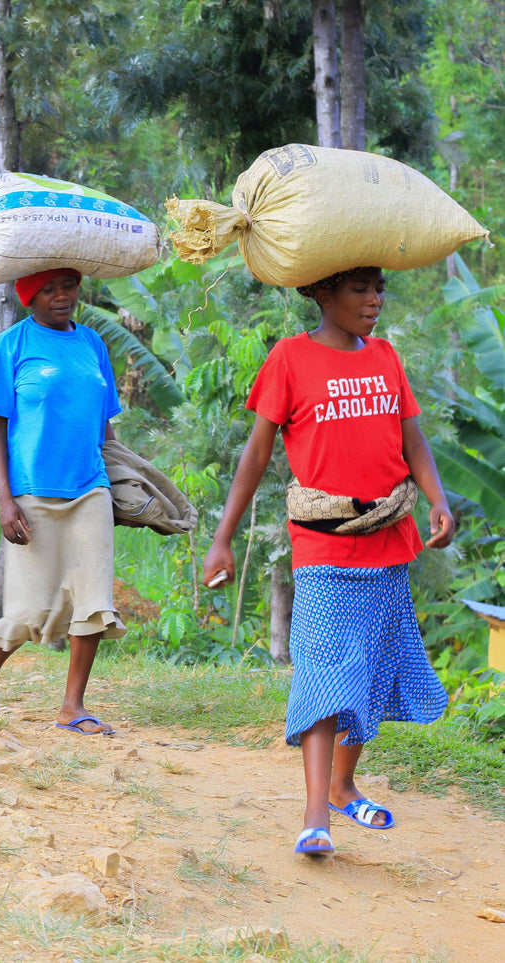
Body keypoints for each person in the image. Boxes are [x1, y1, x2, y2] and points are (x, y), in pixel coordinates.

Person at [203, 266, 452, 857]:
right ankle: (316, 814)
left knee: (365, 669)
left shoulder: (387, 358)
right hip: (322, 546)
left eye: (379, 289)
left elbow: (412, 441)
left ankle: (342, 786)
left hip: (388, 541)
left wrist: (438, 500)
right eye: (360, 289)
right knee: (323, 672)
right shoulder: (290, 359)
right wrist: (223, 538)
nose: (375, 300)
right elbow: (257, 452)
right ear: (322, 294)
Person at [0, 268, 125, 735]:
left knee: (94, 600)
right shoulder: (11, 346)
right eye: (48, 290)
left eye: (68, 287)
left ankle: (73, 706)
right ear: (29, 298)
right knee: (31, 606)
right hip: (33, 490)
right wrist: (5, 501)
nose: (61, 297)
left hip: (91, 486)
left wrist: (123, 483)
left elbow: (105, 426)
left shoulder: (92, 344)